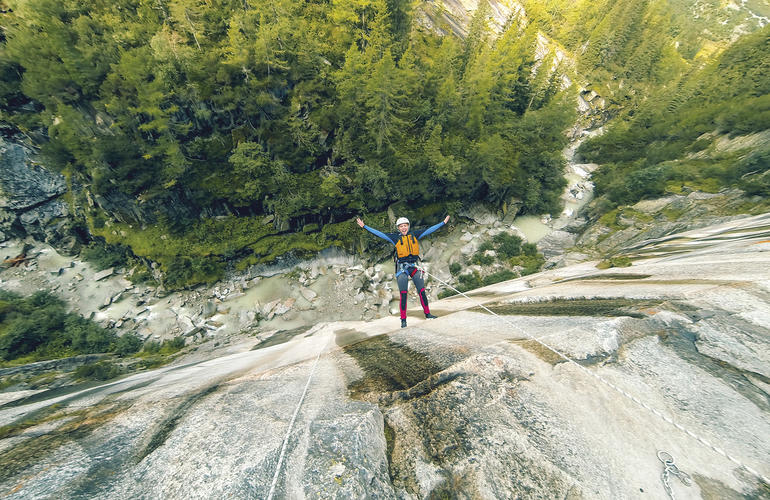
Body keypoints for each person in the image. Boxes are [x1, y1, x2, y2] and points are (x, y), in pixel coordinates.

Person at [356, 214, 450, 328]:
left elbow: (429, 230)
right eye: (401, 226)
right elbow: (380, 234)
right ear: (398, 228)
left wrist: (443, 223)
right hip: (402, 269)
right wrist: (365, 226)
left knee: (421, 291)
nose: (404, 228)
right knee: (403, 294)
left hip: (414, 267)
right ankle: (403, 320)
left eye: (405, 226)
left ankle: (428, 314)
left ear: (408, 226)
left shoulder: (415, 235)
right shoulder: (395, 237)